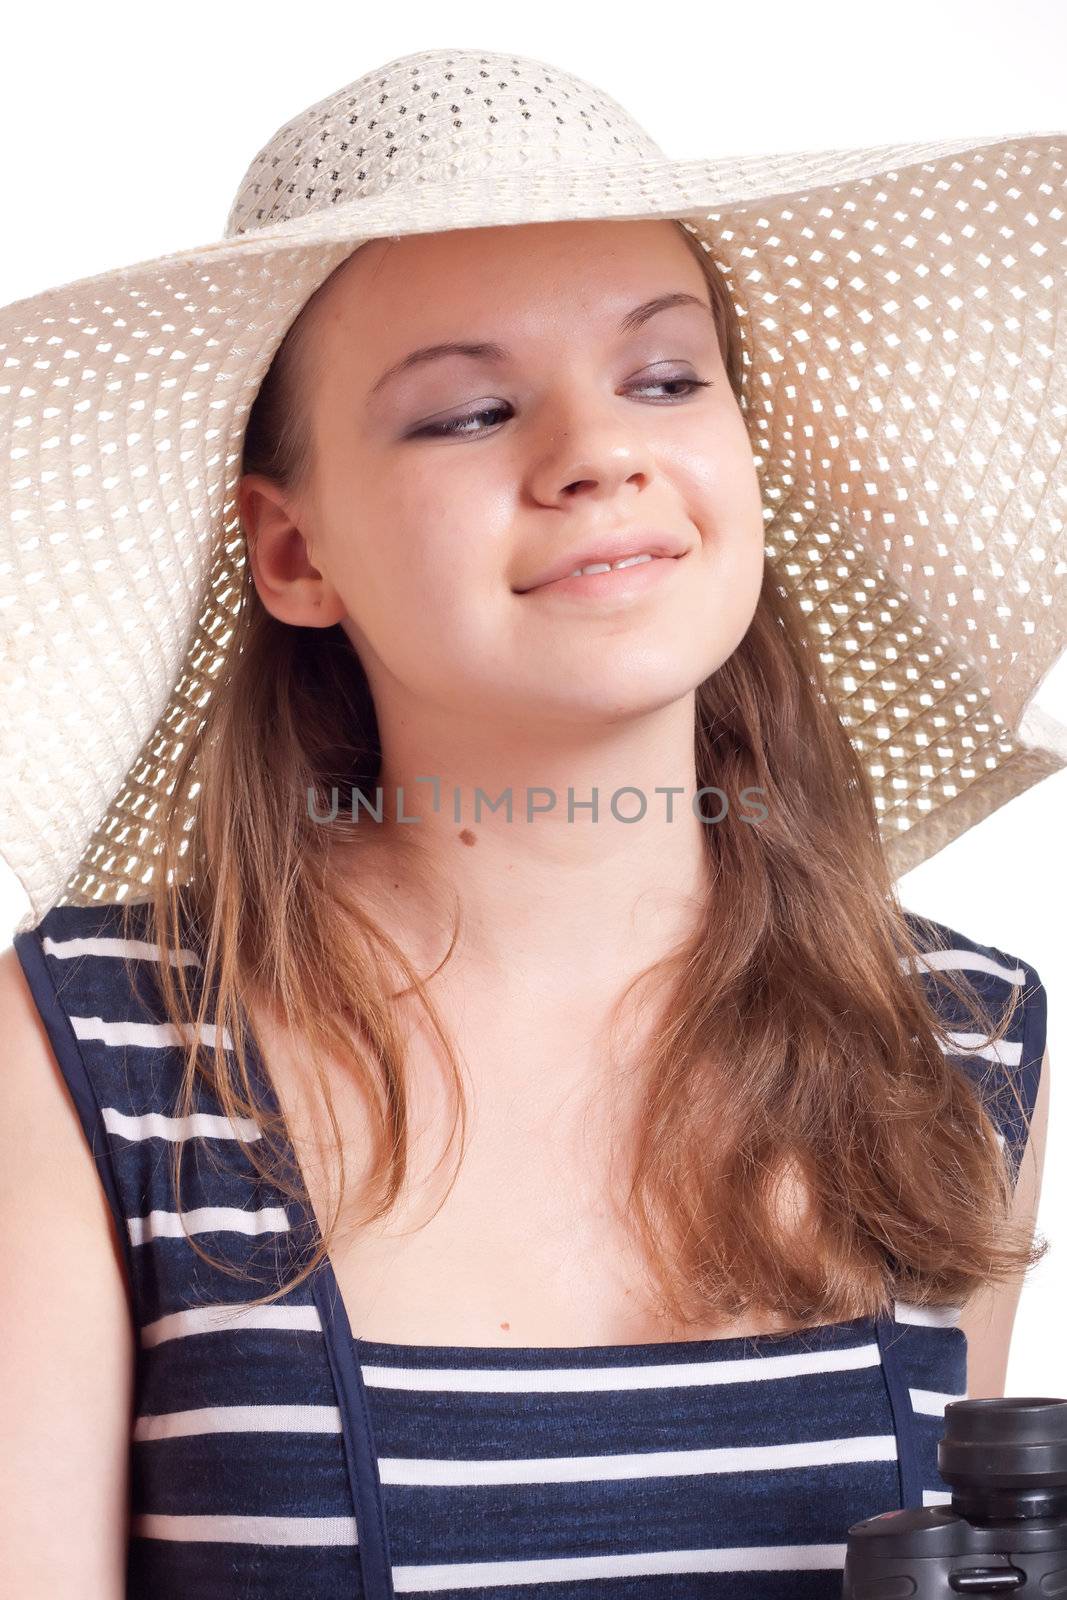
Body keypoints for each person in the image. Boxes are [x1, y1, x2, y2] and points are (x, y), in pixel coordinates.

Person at [0, 45, 1058, 1600]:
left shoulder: (957, 1046)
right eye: (470, 411)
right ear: (293, 553)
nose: (598, 454)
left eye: (666, 377)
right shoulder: (92, 1054)